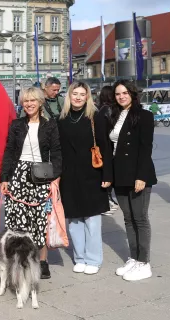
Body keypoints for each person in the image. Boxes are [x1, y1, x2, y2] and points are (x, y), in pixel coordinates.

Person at [0, 86, 62, 279]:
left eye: (32, 100)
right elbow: (9, 152)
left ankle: (43, 262)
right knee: (18, 221)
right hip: (18, 177)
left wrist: (56, 180)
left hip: (41, 176)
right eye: (25, 101)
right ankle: (19, 260)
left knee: (40, 221)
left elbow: (57, 153)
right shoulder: (16, 125)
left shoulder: (49, 125)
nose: (28, 104)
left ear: (40, 102)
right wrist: (5, 178)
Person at [58, 81, 112, 275]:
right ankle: (79, 257)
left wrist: (107, 174)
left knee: (92, 219)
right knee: (74, 221)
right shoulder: (62, 119)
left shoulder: (95, 117)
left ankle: (94, 259)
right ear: (69, 96)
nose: (78, 97)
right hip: (69, 176)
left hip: (92, 174)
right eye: (75, 94)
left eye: (82, 94)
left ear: (88, 97)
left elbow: (105, 147)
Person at [108, 80, 157, 281]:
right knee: (128, 219)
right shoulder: (115, 115)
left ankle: (144, 262)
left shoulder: (144, 116)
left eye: (125, 93)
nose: (121, 97)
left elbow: (146, 148)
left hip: (137, 174)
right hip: (120, 174)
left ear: (132, 94)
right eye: (118, 94)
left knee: (140, 218)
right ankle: (134, 258)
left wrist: (141, 176)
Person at [98, 85, 119, 216]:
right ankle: (107, 201)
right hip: (108, 146)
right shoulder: (108, 110)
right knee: (108, 175)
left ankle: (108, 199)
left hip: (105, 146)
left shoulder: (101, 109)